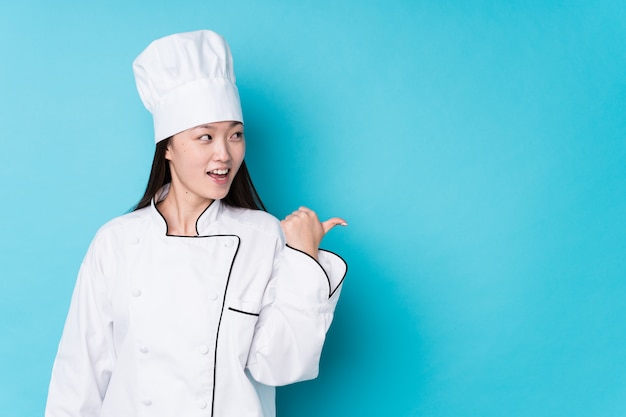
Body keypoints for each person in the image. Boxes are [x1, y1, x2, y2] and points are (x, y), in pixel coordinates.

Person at [45, 30, 347, 417]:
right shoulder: (116, 242)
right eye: (205, 137)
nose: (224, 154)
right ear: (167, 147)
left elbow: (282, 366)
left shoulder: (262, 236)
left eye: (235, 135)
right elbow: (79, 377)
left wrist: (303, 261)